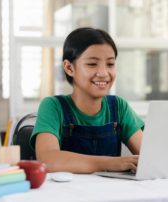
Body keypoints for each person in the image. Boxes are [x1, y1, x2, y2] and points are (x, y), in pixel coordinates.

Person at [30, 27, 144, 174]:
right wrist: (111, 163)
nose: (103, 73)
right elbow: (48, 160)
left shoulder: (119, 106)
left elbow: (150, 157)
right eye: (92, 64)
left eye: (110, 64)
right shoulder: (53, 106)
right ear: (69, 68)